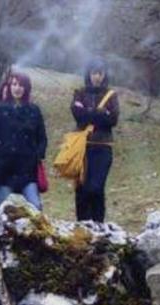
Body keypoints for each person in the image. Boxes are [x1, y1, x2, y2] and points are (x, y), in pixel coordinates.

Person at [0, 72, 47, 210]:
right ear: (9, 86)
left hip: (27, 170)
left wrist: (36, 155)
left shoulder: (34, 111)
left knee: (35, 207)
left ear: (26, 88)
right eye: (14, 84)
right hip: (4, 170)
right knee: (6, 211)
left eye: (21, 85)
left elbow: (42, 138)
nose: (17, 88)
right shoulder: (0, 110)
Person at [71, 58, 120, 223]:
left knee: (96, 188)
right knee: (81, 189)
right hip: (82, 148)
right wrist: (99, 114)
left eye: (100, 73)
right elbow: (78, 115)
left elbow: (112, 119)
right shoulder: (79, 93)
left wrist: (88, 113)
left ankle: (98, 225)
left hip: (102, 148)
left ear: (104, 75)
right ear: (88, 74)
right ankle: (82, 225)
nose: (97, 77)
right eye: (94, 73)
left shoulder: (111, 95)